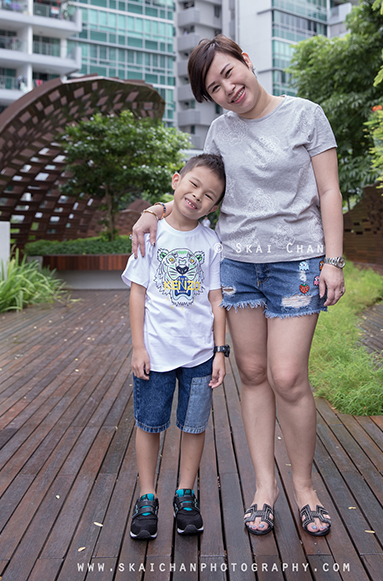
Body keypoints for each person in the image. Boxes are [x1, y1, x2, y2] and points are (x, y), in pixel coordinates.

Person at [132, 36, 345, 538]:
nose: (229, 88)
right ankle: (264, 487)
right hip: (237, 266)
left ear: (246, 62)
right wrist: (155, 211)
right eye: (215, 87)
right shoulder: (221, 133)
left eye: (230, 73)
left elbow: (331, 190)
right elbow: (196, 192)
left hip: (297, 264)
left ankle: (304, 487)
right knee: (251, 373)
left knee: (287, 375)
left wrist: (333, 261)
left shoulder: (306, 115)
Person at [122, 153, 228, 540]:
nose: (197, 196)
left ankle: (185, 494)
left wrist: (220, 351)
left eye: (210, 195)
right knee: (149, 424)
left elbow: (217, 301)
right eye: (193, 184)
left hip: (200, 355)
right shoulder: (152, 234)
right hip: (157, 352)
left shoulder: (211, 242)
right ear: (176, 181)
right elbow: (137, 294)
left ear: (215, 207)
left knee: (194, 426)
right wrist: (138, 346)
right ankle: (147, 496)